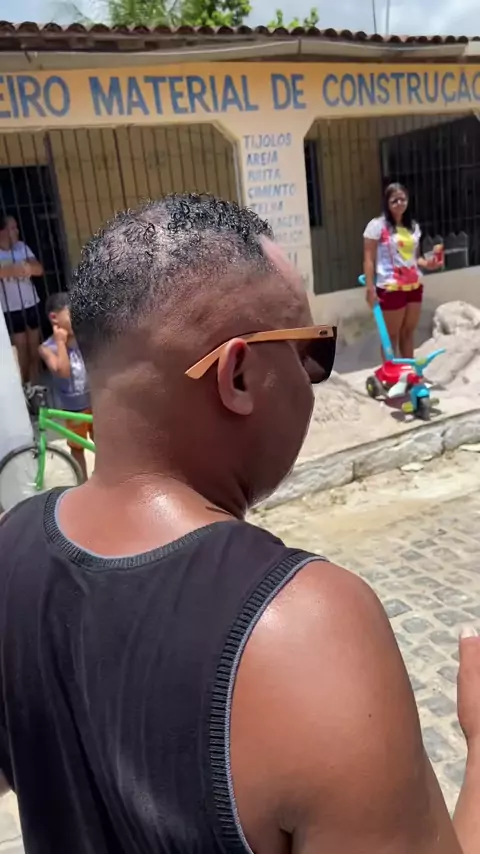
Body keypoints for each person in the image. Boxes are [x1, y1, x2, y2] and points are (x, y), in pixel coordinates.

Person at [0, 194, 479, 854]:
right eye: (312, 353)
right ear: (240, 376)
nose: (313, 378)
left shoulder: (12, 547)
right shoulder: (306, 630)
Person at [363, 183, 441, 358]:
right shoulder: (377, 226)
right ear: (387, 202)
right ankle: (391, 372)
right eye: (394, 200)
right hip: (390, 286)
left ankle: (408, 371)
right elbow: (368, 259)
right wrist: (370, 288)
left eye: (402, 199)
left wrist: (428, 264)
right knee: (391, 336)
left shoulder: (413, 226)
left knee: (408, 332)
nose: (399, 203)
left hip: (413, 285)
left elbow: (415, 257)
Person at [38, 292, 92, 481]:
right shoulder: (47, 348)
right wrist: (61, 342)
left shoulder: (84, 339)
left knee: (102, 443)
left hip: (94, 401)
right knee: (77, 448)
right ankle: (83, 482)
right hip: (73, 408)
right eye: (71, 314)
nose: (77, 319)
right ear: (54, 318)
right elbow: (63, 371)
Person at [0, 213, 44, 384]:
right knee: (20, 354)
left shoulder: (21, 247)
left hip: (31, 303)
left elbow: (38, 269)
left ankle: (35, 388)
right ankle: (23, 388)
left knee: (34, 351)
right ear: (2, 231)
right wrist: (18, 268)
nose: (17, 231)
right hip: (11, 309)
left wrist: (25, 268)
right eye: (12, 228)